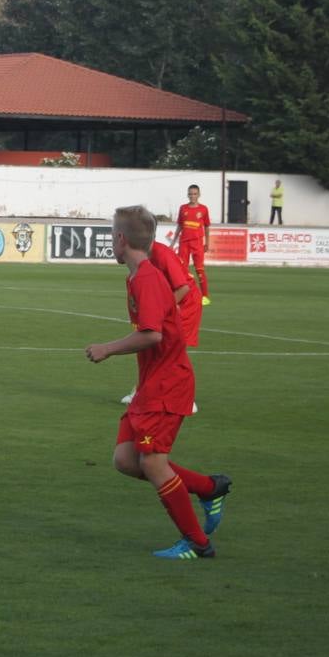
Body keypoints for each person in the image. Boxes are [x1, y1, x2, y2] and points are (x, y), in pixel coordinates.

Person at [86, 205, 231, 560]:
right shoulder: (136, 276)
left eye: (111, 236)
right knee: (125, 459)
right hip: (151, 383)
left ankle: (198, 543)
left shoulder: (148, 279)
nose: (111, 242)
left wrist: (107, 348)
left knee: (152, 463)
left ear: (121, 240)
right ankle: (210, 488)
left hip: (167, 386)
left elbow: (151, 335)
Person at [121, 239, 202, 405]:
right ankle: (143, 390)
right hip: (170, 304)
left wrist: (162, 310)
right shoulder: (142, 257)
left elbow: (183, 288)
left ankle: (185, 398)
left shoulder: (162, 254)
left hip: (185, 305)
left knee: (172, 351)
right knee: (155, 349)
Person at [172, 184, 211, 305]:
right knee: (182, 270)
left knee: (199, 269)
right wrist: (173, 241)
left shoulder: (203, 209)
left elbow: (207, 226)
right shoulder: (183, 208)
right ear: (187, 195)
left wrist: (207, 242)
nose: (192, 196)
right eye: (190, 194)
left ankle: (205, 296)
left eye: (195, 194)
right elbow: (179, 225)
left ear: (199, 195)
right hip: (184, 242)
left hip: (197, 243)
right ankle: (185, 294)